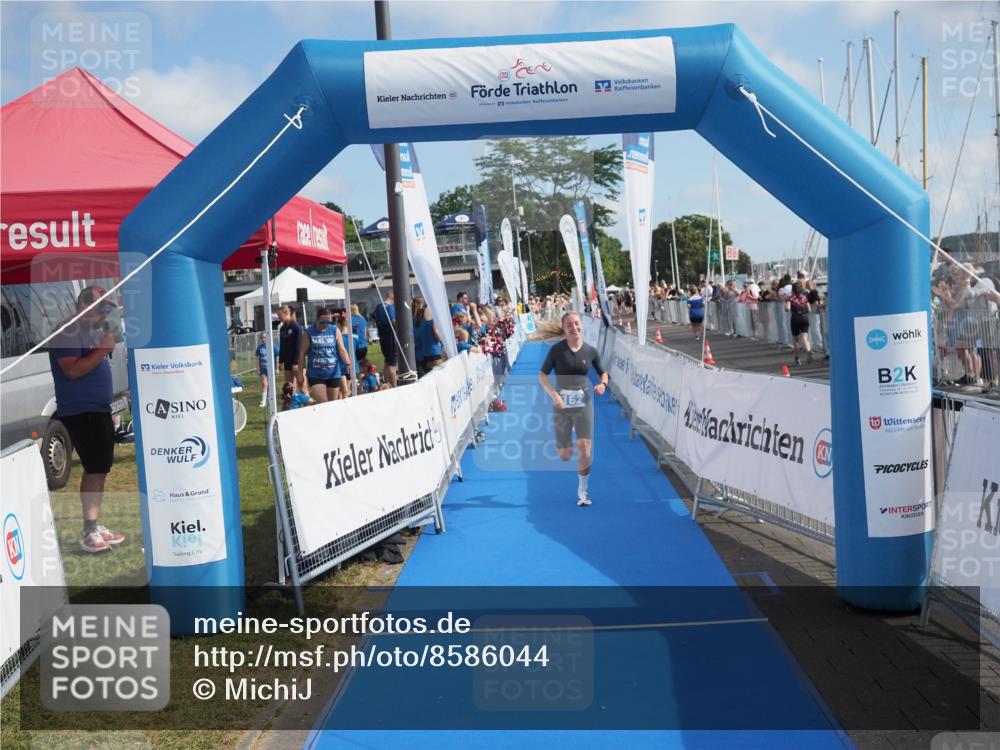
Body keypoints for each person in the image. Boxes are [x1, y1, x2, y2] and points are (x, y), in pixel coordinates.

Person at [48, 286, 125, 553]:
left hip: (97, 408)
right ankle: (89, 530)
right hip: (82, 410)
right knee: (95, 467)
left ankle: (93, 524)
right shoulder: (67, 330)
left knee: (100, 468)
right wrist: (103, 350)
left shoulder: (91, 331)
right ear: (84, 307)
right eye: (101, 308)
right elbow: (71, 369)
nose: (105, 315)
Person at [537, 312, 608, 507]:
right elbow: (542, 375)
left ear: (581, 326)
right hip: (562, 405)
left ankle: (583, 492)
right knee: (565, 455)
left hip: (584, 404)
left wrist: (602, 384)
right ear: (564, 328)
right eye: (569, 325)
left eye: (576, 323)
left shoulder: (590, 351)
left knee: (585, 449)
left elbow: (603, 373)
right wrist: (554, 395)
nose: (573, 327)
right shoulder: (557, 351)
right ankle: (565, 439)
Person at [299, 308, 350, 403]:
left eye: (328, 322)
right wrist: (300, 373)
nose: (326, 325)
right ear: (317, 320)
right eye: (323, 322)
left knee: (332, 404)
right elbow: (302, 354)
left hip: (333, 373)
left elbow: (342, 350)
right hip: (315, 374)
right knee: (323, 404)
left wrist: (348, 364)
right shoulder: (309, 332)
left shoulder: (335, 330)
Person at [278, 304, 305, 399]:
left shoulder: (296, 327)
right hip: (287, 361)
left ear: (286, 313)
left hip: (297, 362)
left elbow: (299, 346)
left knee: (302, 387)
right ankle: (293, 406)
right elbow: (282, 345)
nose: (279, 318)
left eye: (280, 315)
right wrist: (280, 361)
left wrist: (296, 362)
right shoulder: (282, 328)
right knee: (289, 387)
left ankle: (309, 405)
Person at [374, 290, 397, 387]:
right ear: (392, 297)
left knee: (387, 361)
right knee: (391, 363)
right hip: (390, 336)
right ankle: (394, 385)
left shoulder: (378, 307)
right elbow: (393, 321)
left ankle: (386, 382)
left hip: (382, 336)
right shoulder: (390, 308)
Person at [786, 281, 813, 365]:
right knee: (805, 338)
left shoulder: (790, 298)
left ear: (793, 289)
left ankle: (797, 359)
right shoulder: (804, 297)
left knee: (796, 340)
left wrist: (787, 307)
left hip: (795, 318)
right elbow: (809, 309)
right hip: (804, 318)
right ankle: (808, 351)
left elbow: (787, 308)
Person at [255, 332, 279, 407]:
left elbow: (277, 358)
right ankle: (263, 401)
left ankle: (270, 400)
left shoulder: (274, 347)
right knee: (264, 384)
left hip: (271, 369)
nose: (263, 339)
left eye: (265, 337)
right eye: (262, 338)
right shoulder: (259, 348)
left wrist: (277, 368)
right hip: (263, 369)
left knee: (271, 385)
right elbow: (257, 359)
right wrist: (258, 369)